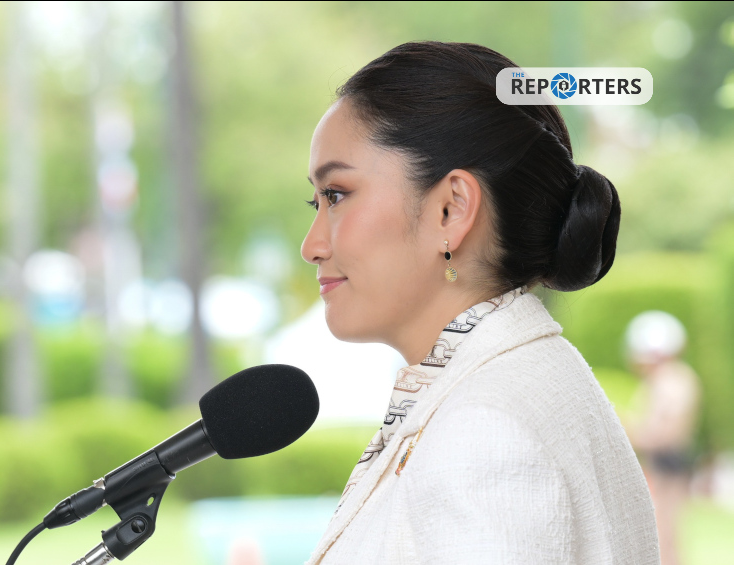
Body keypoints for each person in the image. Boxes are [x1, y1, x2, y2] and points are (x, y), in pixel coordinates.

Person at [299, 41, 659, 564]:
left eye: (335, 195)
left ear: (451, 209)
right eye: (315, 202)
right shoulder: (513, 386)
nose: (311, 246)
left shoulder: (484, 431)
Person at [623, 311, 702, 565]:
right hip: (665, 462)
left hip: (667, 463)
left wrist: (631, 433)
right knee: (664, 532)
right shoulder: (673, 378)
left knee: (663, 533)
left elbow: (667, 431)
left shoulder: (671, 380)